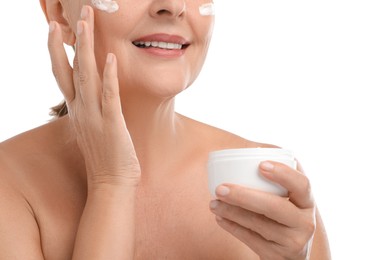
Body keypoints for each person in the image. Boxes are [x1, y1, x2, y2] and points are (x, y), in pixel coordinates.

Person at [0, 0, 331, 259]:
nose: (172, 4)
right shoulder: (10, 186)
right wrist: (111, 184)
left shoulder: (266, 180)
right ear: (60, 13)